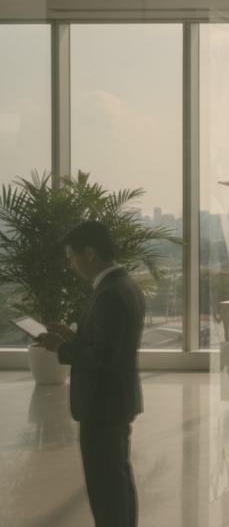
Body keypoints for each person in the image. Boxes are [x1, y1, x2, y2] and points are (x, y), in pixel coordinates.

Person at [39, 221, 146, 527]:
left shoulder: (109, 292)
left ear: (89, 253)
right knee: (118, 479)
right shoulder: (125, 285)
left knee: (104, 487)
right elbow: (108, 344)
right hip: (116, 400)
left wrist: (60, 349)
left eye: (72, 258)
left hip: (102, 404)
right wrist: (74, 337)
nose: (72, 266)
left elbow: (101, 356)